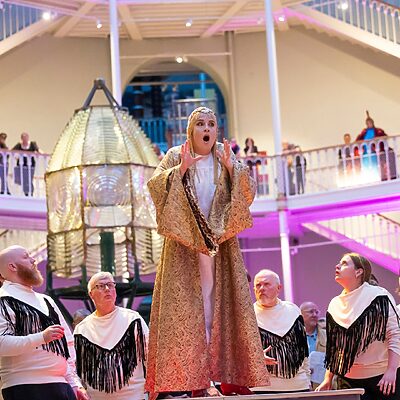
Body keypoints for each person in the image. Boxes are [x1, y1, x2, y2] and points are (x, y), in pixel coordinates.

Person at [146, 107, 268, 399]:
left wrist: (231, 168)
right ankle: (196, 380)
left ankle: (228, 376)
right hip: (185, 246)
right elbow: (154, 187)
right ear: (191, 130)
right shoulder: (176, 154)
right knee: (192, 309)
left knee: (221, 306)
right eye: (200, 123)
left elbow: (248, 192)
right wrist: (181, 169)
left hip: (220, 245)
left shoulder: (225, 157)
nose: (207, 129)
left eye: (211, 124)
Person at [0, 245, 87, 400]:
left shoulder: (46, 300)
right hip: (25, 387)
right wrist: (41, 337)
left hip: (62, 385)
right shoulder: (3, 300)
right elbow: (1, 344)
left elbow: (68, 344)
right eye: (26, 257)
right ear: (12, 266)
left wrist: (74, 383)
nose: (33, 260)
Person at [316, 253, 400, 399]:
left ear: (359, 271)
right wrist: (328, 378)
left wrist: (391, 370)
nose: (337, 266)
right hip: (348, 379)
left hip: (382, 377)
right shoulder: (335, 304)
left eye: (344, 263)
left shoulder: (379, 296)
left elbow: (395, 334)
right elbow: (335, 347)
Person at [74, 272, 148, 400]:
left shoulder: (133, 319)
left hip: (134, 396)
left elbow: (150, 354)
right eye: (101, 286)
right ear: (91, 294)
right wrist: (79, 387)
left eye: (110, 285)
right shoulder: (82, 330)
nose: (107, 289)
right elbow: (74, 367)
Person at [252, 269, 310, 394]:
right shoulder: (247, 315)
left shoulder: (293, 310)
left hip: (298, 386)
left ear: (279, 288)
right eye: (258, 285)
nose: (262, 288)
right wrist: (255, 357)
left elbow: (304, 351)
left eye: (267, 284)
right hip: (262, 389)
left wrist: (307, 380)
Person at [300, 301, 326, 389]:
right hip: (300, 384)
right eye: (311, 312)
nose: (314, 315)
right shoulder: (293, 337)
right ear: (301, 315)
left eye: (316, 312)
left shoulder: (328, 336)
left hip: (322, 385)